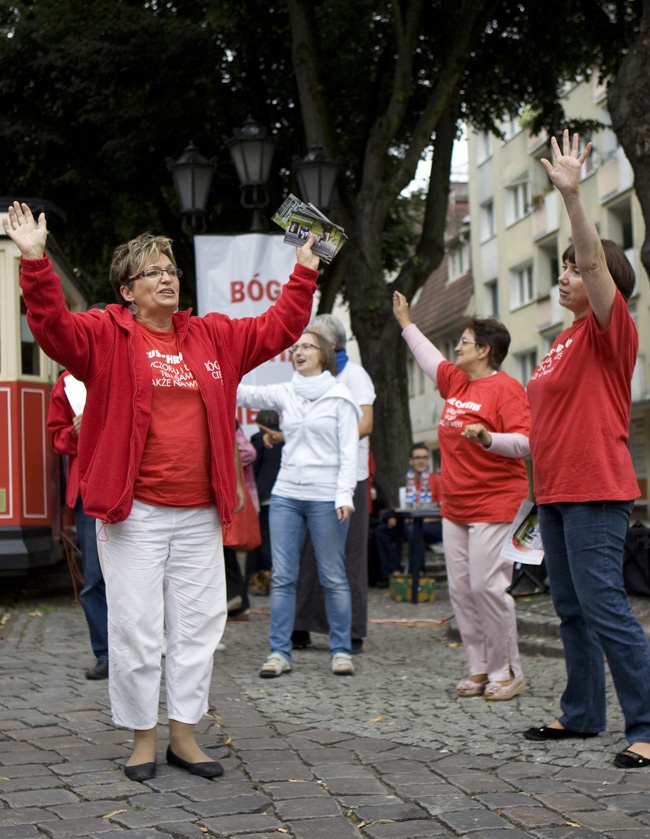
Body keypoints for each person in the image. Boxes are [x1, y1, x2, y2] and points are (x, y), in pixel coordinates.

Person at [3, 201, 319, 782]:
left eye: (171, 267)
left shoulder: (214, 336)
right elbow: (52, 328)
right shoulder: (104, 333)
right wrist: (33, 260)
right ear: (128, 289)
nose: (168, 275)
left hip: (199, 512)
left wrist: (304, 268)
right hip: (134, 513)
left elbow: (279, 328)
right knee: (137, 627)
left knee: (198, 627)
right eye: (153, 270)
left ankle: (185, 737)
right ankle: (142, 738)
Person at [522, 130, 650, 768]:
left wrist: (573, 196)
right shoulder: (560, 341)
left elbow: (598, 266)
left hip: (596, 487)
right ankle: (582, 715)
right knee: (570, 606)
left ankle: (648, 724)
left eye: (574, 265)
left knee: (604, 604)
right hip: (555, 492)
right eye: (565, 265)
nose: (567, 273)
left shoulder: (610, 328)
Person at [393, 291, 530, 701]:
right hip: (455, 505)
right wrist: (406, 322)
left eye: (465, 342)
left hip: (496, 502)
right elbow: (429, 358)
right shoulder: (456, 380)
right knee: (461, 589)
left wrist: (488, 438)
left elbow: (524, 442)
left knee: (488, 587)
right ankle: (479, 668)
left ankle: (508, 669)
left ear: (485, 350)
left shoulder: (506, 389)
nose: (457, 347)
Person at [237, 330, 360, 677]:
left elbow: (349, 452)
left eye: (305, 346)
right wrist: (215, 369)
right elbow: (244, 393)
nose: (297, 351)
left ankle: (340, 650)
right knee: (282, 578)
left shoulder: (340, 396)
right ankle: (279, 653)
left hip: (326, 497)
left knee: (333, 576)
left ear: (322, 354)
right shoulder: (286, 391)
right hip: (287, 494)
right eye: (295, 347)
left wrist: (344, 494)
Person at [291, 314, 376, 653]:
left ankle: (351, 631)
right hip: (311, 476)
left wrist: (328, 439)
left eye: (312, 343)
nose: (303, 349)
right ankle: (300, 627)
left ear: (332, 346)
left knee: (348, 554)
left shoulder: (355, 376)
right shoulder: (307, 378)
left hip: (348, 477)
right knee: (307, 553)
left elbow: (365, 423)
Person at [47, 325, 109, 681]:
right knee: (95, 578)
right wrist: (76, 432)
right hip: (88, 491)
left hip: (138, 486)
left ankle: (147, 648)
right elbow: (57, 439)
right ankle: (105, 653)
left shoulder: (134, 366)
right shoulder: (67, 384)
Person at [373, 442, 442, 587]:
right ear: (411, 461)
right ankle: (390, 574)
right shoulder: (406, 480)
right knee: (381, 531)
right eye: (417, 458)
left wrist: (422, 519)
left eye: (424, 457)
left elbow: (444, 509)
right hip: (409, 523)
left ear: (428, 460)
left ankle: (417, 572)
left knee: (413, 530)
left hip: (434, 525)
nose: (421, 461)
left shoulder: (436, 480)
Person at [245, 410, 283, 596]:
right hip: (284, 493)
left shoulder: (257, 438)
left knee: (265, 537)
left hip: (264, 496)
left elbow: (254, 466)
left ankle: (266, 578)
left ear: (259, 423)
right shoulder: (285, 437)